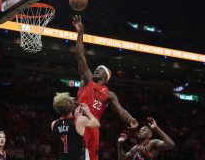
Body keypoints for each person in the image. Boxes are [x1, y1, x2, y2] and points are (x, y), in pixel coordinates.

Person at [72, 15, 139, 160]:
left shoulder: (110, 94)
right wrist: (80, 34)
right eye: (96, 68)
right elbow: (81, 57)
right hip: (81, 122)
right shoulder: (88, 80)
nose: (96, 70)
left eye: (100, 69)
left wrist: (131, 120)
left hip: (94, 127)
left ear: (106, 76)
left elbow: (121, 111)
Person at [51, 92, 100, 160]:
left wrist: (76, 117)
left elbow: (67, 128)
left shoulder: (53, 124)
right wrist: (87, 112)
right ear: (72, 106)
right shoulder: (79, 121)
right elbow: (97, 124)